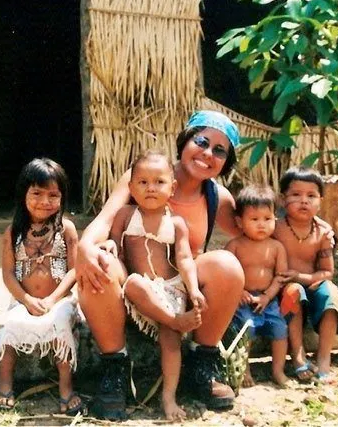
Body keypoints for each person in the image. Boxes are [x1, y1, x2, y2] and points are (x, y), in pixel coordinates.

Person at [75, 110, 246, 420]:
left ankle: (202, 364)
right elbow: (106, 219)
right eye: (202, 141)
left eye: (219, 151)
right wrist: (85, 247)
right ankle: (115, 369)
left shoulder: (216, 197)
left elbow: (254, 232)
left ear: (226, 163)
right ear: (184, 141)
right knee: (97, 262)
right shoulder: (144, 176)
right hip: (131, 290)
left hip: (176, 293)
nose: (208, 153)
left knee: (227, 265)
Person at [103, 150, 206, 420]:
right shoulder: (125, 215)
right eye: (143, 182)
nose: (151, 188)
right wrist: (110, 244)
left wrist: (193, 288)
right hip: (139, 292)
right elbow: (115, 243)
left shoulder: (176, 223)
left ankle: (169, 397)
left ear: (172, 188)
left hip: (169, 289)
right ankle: (175, 320)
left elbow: (184, 259)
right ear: (131, 188)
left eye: (159, 182)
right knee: (135, 282)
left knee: (170, 341)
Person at [0, 158, 83, 415]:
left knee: (61, 325)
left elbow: (74, 270)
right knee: (11, 328)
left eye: (53, 195)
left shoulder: (67, 230)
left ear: (62, 197)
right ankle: (4, 383)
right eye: (37, 193)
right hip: (22, 300)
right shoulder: (13, 233)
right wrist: (27, 301)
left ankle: (66, 388)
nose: (44, 201)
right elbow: (8, 275)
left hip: (60, 300)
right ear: (23, 194)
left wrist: (52, 300)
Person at [274, 167, 338, 383]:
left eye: (311, 196)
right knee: (293, 291)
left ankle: (324, 358)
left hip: (311, 283)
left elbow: (327, 272)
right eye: (296, 195)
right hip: (283, 289)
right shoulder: (274, 228)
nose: (304, 201)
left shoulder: (323, 232)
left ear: (320, 201)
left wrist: (302, 277)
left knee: (331, 292)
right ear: (282, 199)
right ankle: (298, 356)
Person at [226, 184, 289, 387]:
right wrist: (239, 291)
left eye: (267, 219)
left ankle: (278, 370)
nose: (262, 225)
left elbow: (280, 276)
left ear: (275, 219)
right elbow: (226, 273)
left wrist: (268, 296)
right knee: (246, 330)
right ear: (240, 222)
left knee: (280, 329)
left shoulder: (276, 247)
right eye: (254, 219)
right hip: (243, 300)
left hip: (267, 300)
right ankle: (244, 370)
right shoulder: (235, 245)